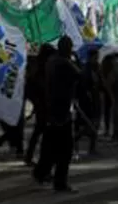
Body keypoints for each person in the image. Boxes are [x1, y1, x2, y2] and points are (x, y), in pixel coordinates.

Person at [33, 36, 80, 192]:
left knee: (49, 146)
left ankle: (41, 172)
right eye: (70, 47)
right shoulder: (63, 63)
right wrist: (76, 60)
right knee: (65, 149)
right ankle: (60, 182)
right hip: (61, 111)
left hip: (51, 108)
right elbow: (80, 76)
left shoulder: (51, 61)